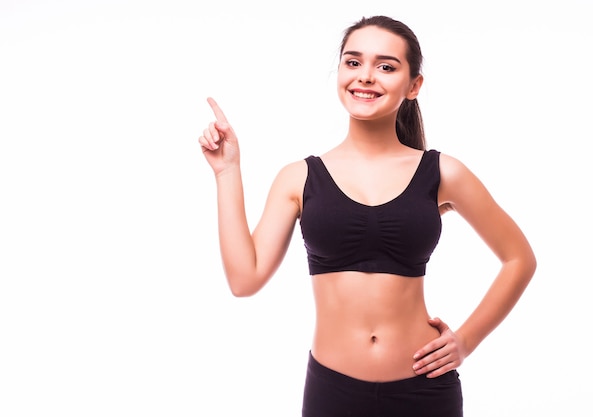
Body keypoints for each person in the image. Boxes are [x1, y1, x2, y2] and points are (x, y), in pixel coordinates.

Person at [198, 15, 536, 417]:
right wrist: (227, 171)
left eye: (386, 66)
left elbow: (519, 259)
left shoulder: (444, 172)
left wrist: (466, 340)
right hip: (332, 392)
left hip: (424, 390)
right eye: (353, 62)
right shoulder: (300, 177)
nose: (366, 76)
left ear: (414, 86)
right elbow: (244, 279)